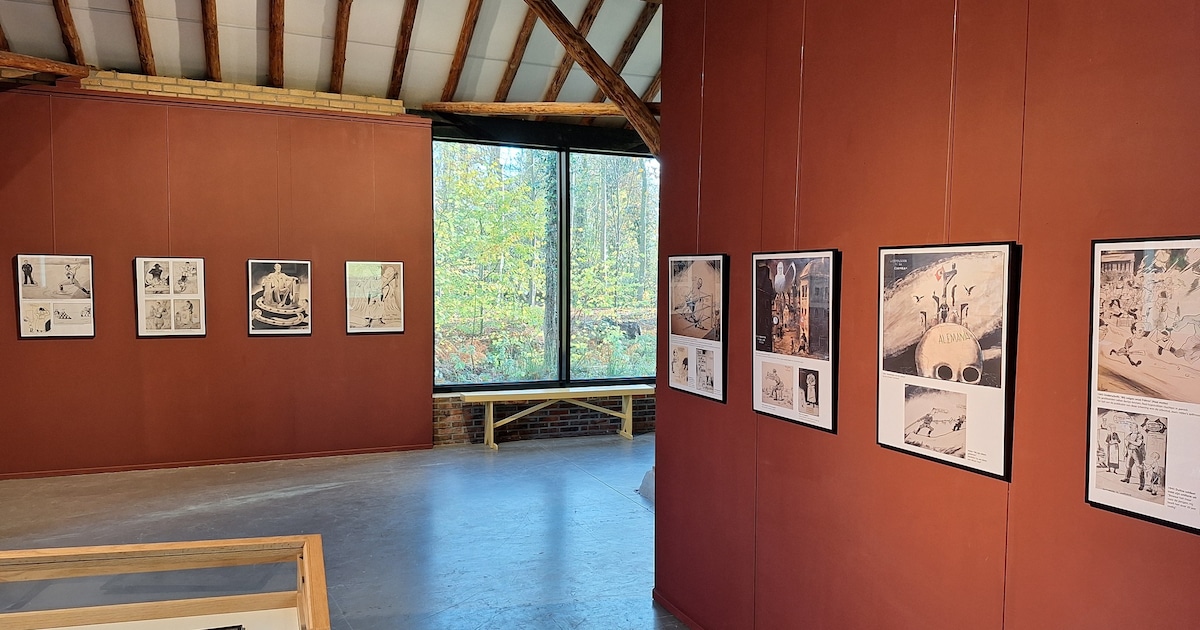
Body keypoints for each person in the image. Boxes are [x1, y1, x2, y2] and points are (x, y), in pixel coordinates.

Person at [1122, 424, 1147, 490]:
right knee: (1128, 466)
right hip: (1130, 452)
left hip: (1137, 453)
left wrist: (1129, 440)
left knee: (1139, 468)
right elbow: (1126, 443)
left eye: (1131, 427)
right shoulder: (1130, 435)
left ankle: (1142, 484)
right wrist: (1125, 451)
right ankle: (1127, 478)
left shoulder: (1140, 435)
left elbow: (1138, 443)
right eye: (1130, 427)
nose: (1130, 428)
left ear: (1135, 428)